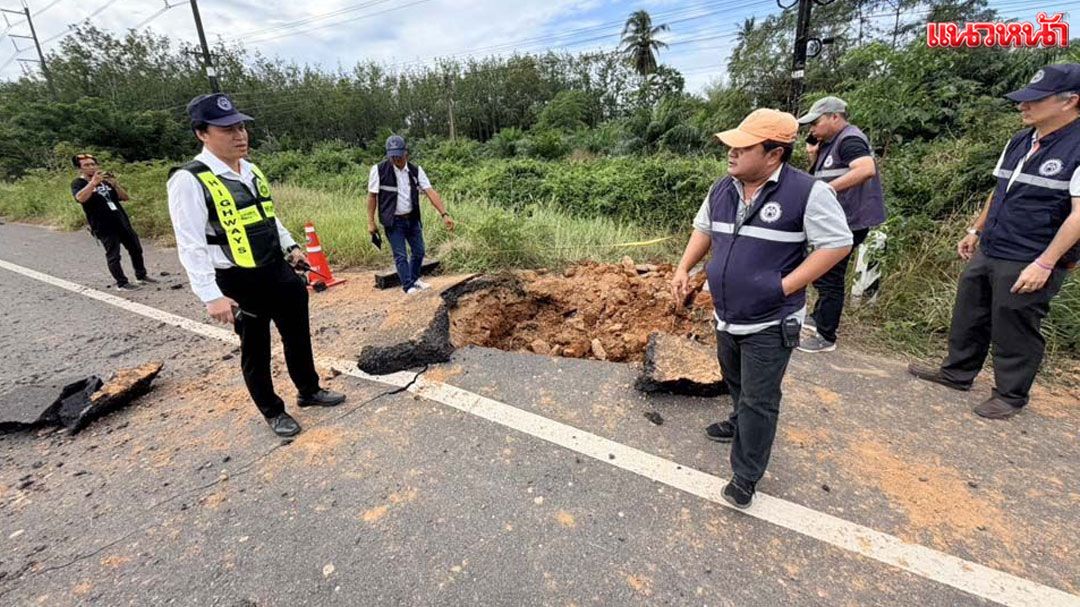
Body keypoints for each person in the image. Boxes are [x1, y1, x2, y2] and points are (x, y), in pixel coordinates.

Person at [671, 109, 853, 509]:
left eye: (743, 146)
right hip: (727, 313)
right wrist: (684, 267)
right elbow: (703, 230)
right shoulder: (723, 188)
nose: (732, 153)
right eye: (732, 145)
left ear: (773, 154)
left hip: (771, 319)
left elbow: (837, 244)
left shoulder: (807, 193)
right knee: (735, 380)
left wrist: (785, 286)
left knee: (760, 398)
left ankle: (746, 474)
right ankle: (738, 422)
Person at [166, 93, 346, 438]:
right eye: (227, 129)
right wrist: (210, 295)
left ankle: (309, 389)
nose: (240, 135)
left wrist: (291, 247)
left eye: (241, 126)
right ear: (201, 133)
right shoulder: (189, 180)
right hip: (236, 278)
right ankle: (272, 410)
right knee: (256, 348)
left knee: (297, 334)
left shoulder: (250, 170)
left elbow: (268, 215)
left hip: (275, 268)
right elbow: (189, 243)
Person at [909, 64, 1080, 420]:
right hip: (994, 244)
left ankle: (1010, 394)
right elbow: (1001, 189)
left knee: (1014, 321)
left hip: (1032, 254)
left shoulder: (1076, 147)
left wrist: (1046, 262)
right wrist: (976, 230)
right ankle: (957, 372)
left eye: (1035, 100)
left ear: (1070, 102)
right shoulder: (1022, 140)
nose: (1023, 107)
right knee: (970, 310)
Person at [796, 96, 887, 352]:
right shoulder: (830, 143)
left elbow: (866, 168)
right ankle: (819, 316)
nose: (811, 129)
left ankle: (826, 336)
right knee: (825, 273)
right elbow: (819, 176)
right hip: (837, 219)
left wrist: (826, 193)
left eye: (816, 122)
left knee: (828, 274)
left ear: (834, 117)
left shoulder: (850, 140)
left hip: (849, 221)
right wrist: (813, 156)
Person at [366, 135, 455, 294]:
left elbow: (430, 192)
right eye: (392, 156)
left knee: (419, 251)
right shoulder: (378, 170)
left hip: (412, 219)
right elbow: (372, 196)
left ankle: (414, 279)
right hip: (393, 221)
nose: (396, 159)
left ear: (406, 153)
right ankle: (408, 287)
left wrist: (444, 214)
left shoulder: (415, 171)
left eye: (399, 155)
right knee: (400, 255)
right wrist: (370, 222)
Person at [71, 154, 156, 291]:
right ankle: (122, 283)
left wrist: (115, 184)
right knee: (114, 254)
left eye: (93, 164)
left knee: (135, 248)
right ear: (79, 169)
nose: (91, 167)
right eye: (86, 165)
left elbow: (125, 197)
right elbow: (80, 198)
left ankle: (141, 275)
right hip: (103, 225)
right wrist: (92, 183)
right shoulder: (78, 183)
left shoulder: (105, 182)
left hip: (120, 220)